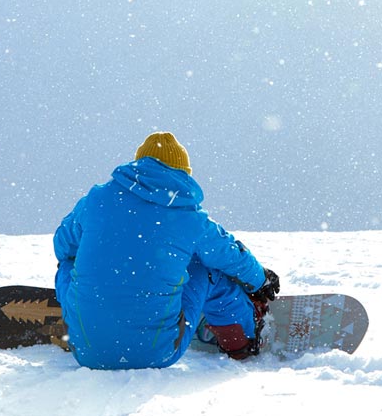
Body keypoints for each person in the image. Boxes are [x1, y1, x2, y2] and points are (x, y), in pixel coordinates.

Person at [53, 131, 281, 370]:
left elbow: (62, 246)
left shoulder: (96, 200)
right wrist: (260, 280)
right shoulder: (189, 217)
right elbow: (230, 255)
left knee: (69, 263)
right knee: (206, 268)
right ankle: (240, 341)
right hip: (157, 353)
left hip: (87, 353)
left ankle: (91, 313)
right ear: (183, 173)